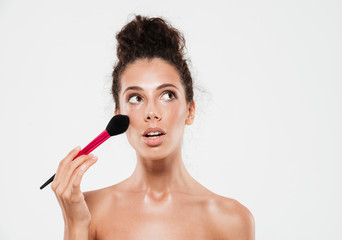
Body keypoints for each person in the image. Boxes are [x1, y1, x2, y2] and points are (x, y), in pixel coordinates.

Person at [51, 15, 255, 240]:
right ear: (119, 116)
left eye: (167, 95)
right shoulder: (88, 210)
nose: (151, 112)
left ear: (190, 110)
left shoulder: (232, 220)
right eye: (136, 98)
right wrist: (76, 225)